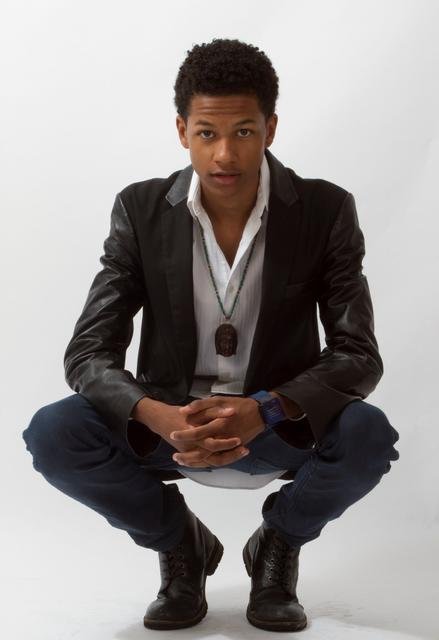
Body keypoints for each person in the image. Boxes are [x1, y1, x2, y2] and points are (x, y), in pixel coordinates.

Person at [22, 38, 400, 633]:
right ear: (182, 131)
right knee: (54, 432)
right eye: (207, 133)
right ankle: (182, 547)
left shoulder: (324, 210)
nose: (225, 154)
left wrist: (267, 409)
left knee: (368, 436)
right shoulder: (141, 210)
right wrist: (155, 414)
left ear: (271, 128)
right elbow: (89, 352)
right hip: (170, 427)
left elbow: (358, 355)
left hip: (277, 426)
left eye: (244, 131)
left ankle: (276, 548)